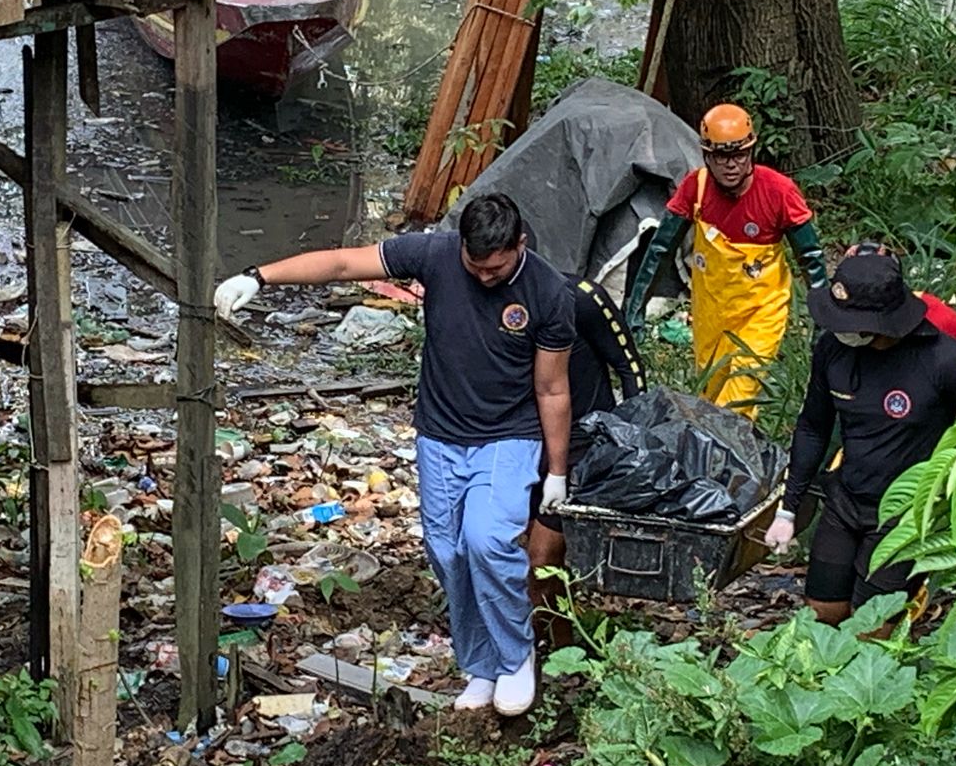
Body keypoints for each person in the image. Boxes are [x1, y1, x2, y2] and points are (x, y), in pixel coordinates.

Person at [213, 194, 574, 717]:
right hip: (441, 433)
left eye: (496, 268)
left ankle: (515, 655)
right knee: (448, 552)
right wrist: (258, 276)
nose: (486, 277)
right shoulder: (435, 255)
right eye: (476, 266)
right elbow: (343, 263)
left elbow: (553, 389)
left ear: (519, 245)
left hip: (508, 436)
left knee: (488, 538)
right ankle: (481, 664)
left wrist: (557, 472)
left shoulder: (547, 293)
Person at [763, 244, 956, 627]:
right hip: (845, 498)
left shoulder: (944, 360)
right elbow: (813, 426)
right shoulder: (833, 349)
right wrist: (788, 508)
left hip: (904, 512)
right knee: (822, 613)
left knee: (872, 625)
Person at [623, 103, 827, 418]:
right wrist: (635, 308)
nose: (730, 165)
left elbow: (810, 257)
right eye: (720, 156)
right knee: (709, 395)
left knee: (739, 399)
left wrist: (822, 319)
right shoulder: (696, 188)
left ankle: (733, 459)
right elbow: (661, 248)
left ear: (752, 152)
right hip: (711, 311)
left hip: (761, 312)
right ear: (706, 156)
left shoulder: (779, 192)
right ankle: (713, 456)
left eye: (739, 154)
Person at [525, 268, 646, 650]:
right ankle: (544, 644)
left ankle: (561, 652)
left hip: (581, 443)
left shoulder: (579, 296)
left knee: (541, 558)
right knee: (521, 555)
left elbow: (629, 366)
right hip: (523, 442)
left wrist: (632, 437)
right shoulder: (489, 301)